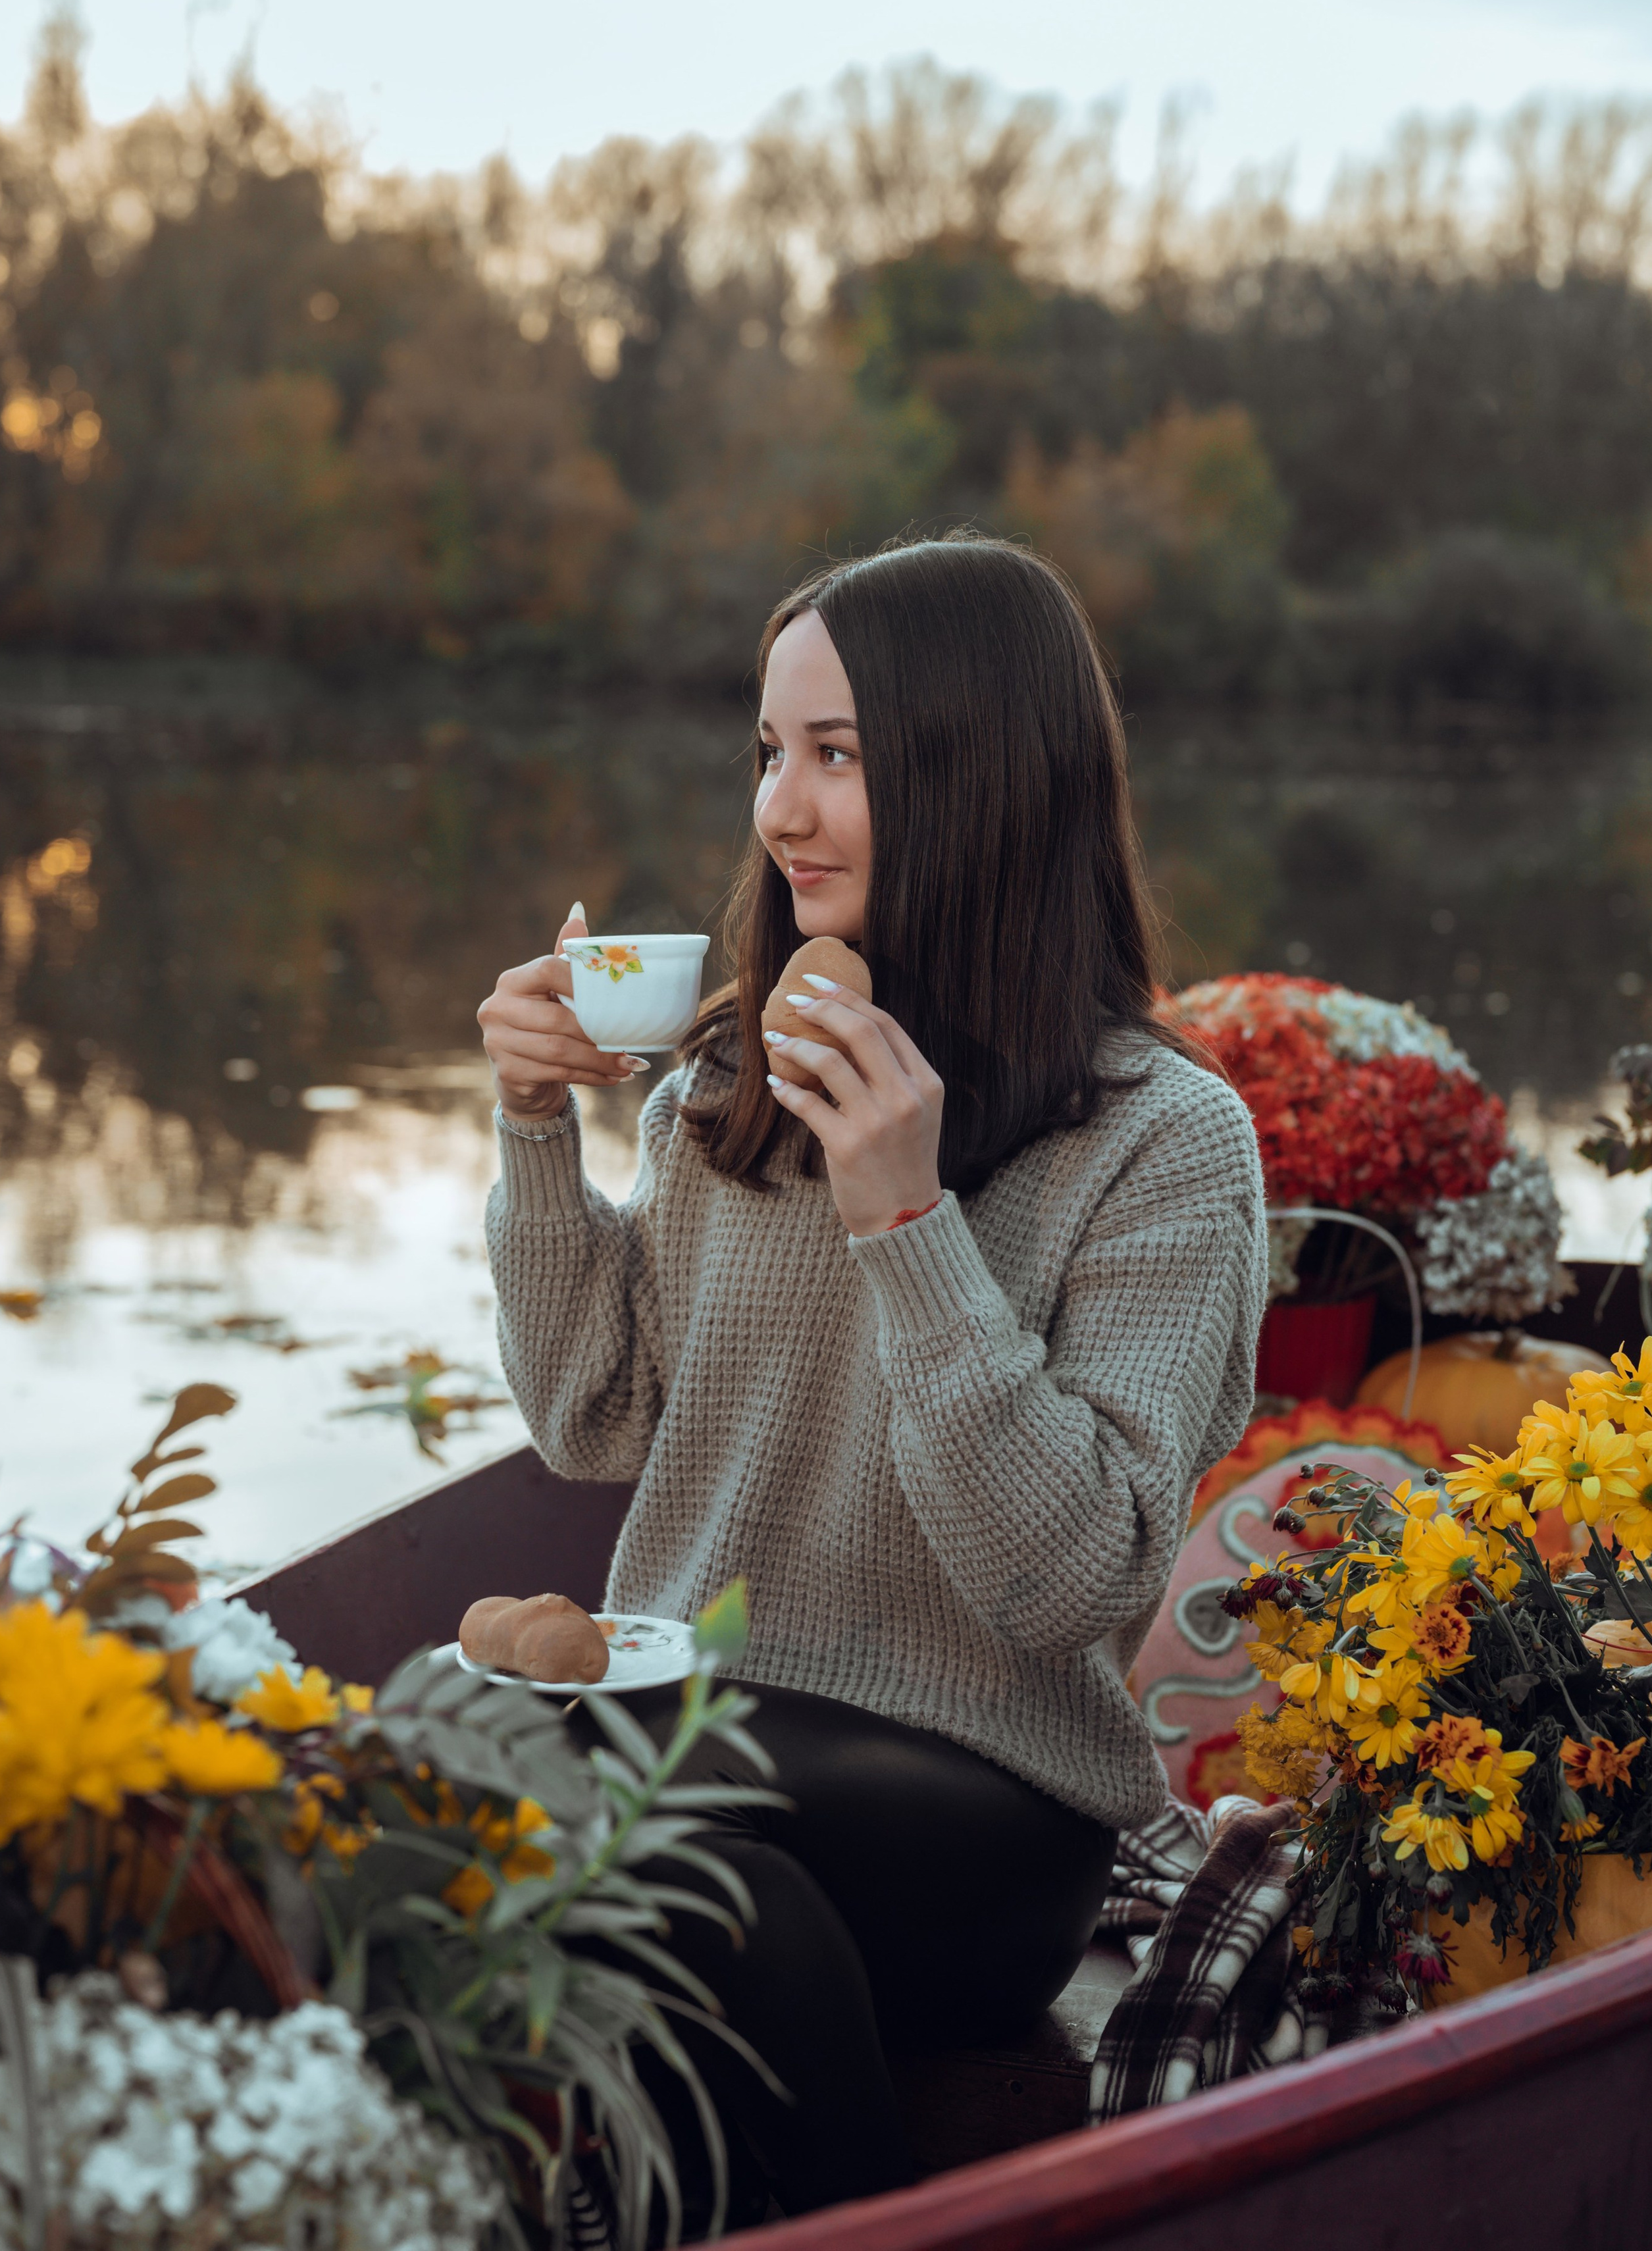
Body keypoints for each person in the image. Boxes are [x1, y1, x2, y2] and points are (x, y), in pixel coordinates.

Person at [477, 536, 1266, 2227]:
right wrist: (535, 1136)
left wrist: (905, 1218)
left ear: (982, 769)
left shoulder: (1162, 1142)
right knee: (710, 1894)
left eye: (839, 755)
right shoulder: (723, 1079)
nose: (778, 807)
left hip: (981, 1809)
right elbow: (590, 1417)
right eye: (769, 750)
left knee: (537, 1765)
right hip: (698, 1762)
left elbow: (1067, 1581)